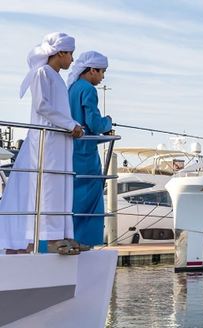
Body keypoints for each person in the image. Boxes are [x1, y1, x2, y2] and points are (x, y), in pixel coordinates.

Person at [0, 32, 83, 254]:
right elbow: (42, 106)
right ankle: (53, 238)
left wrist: (71, 124)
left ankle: (64, 234)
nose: (72, 60)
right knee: (48, 186)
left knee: (61, 186)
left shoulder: (55, 76)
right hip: (47, 140)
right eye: (71, 54)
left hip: (59, 140)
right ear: (61, 53)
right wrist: (70, 125)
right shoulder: (41, 73)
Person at [67, 51, 112, 247]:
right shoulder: (88, 90)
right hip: (86, 156)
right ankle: (84, 242)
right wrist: (108, 123)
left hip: (71, 152)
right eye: (102, 72)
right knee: (91, 199)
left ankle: (69, 236)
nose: (102, 77)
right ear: (92, 70)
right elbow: (94, 123)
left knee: (72, 198)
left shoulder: (72, 88)